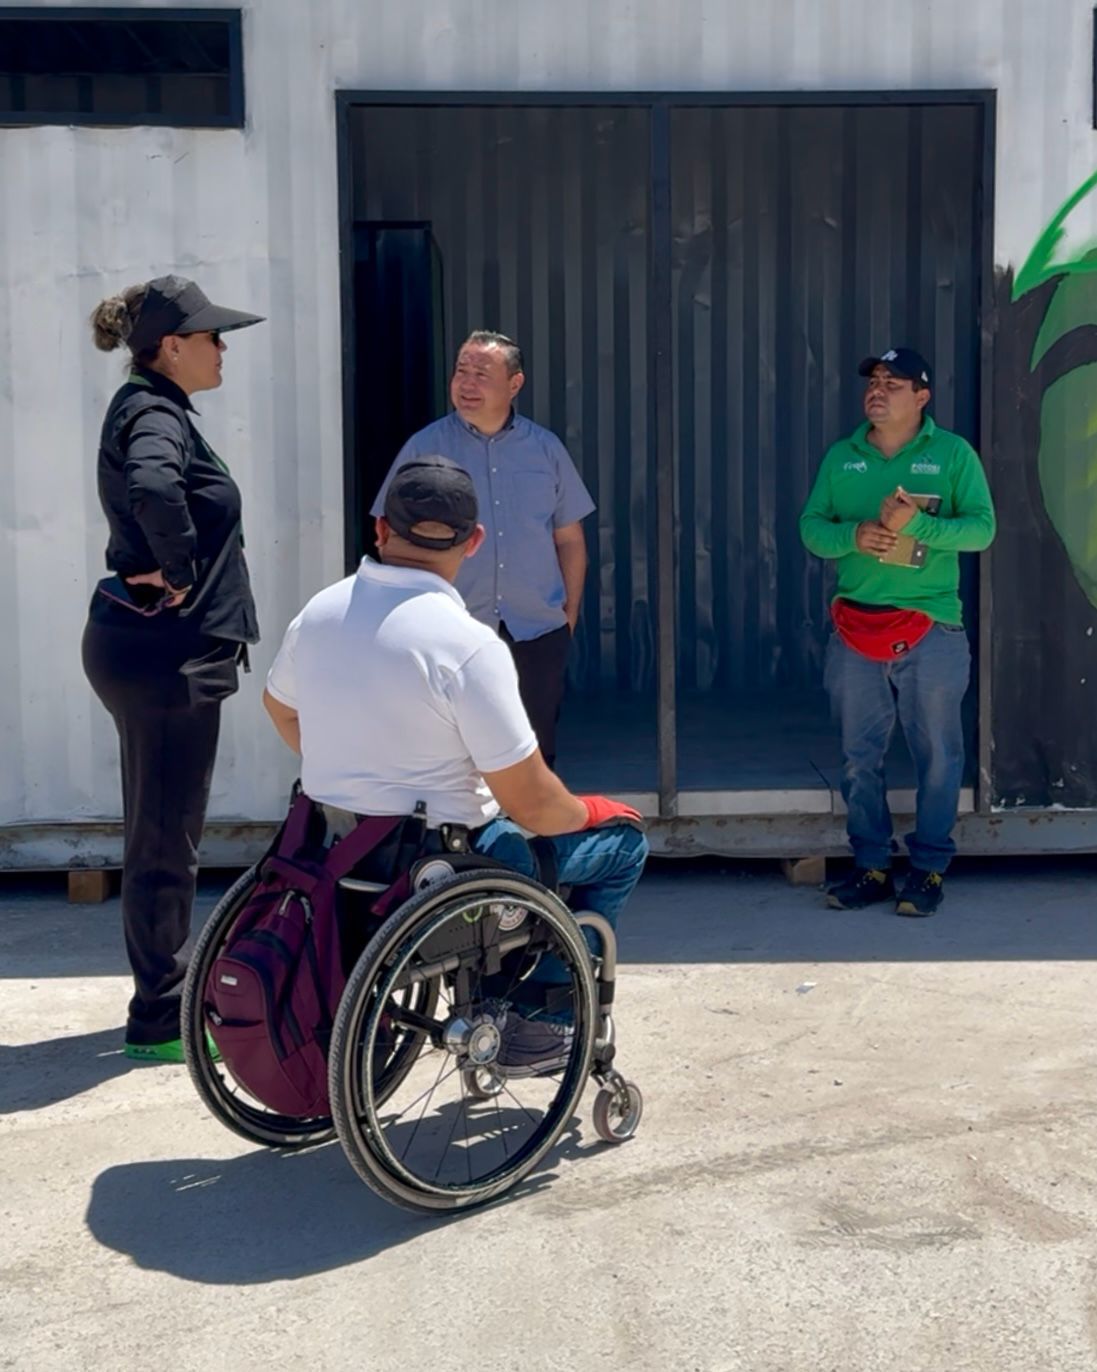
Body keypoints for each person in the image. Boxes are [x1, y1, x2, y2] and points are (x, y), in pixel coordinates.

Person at [264, 456, 647, 1071]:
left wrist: (355, 769)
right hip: (440, 870)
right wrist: (592, 812)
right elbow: (531, 803)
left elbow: (280, 708)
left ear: (380, 529)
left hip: (332, 853)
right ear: (473, 542)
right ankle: (538, 1024)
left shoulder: (320, 613)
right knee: (622, 844)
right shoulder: (467, 646)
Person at [82, 275, 264, 1061]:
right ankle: (159, 1014)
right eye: (212, 337)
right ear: (171, 346)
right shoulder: (154, 414)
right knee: (163, 837)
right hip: (165, 655)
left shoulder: (154, 407)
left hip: (160, 652)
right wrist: (181, 571)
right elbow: (154, 486)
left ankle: (167, 990)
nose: (223, 349)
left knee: (165, 827)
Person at [800, 348, 996, 917]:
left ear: (922, 397)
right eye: (874, 381)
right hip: (856, 628)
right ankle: (872, 866)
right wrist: (854, 536)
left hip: (932, 628)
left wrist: (921, 526)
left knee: (938, 754)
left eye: (893, 383)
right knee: (858, 757)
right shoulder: (843, 457)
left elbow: (982, 530)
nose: (878, 390)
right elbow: (811, 527)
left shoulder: (952, 453)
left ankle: (929, 869)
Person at [370, 331, 594, 769]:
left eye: (481, 374)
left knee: (533, 753)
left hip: (535, 631)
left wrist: (567, 617)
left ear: (514, 384)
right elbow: (387, 535)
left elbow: (569, 539)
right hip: (451, 631)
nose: (467, 384)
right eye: (461, 372)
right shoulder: (425, 448)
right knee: (454, 753)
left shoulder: (545, 450)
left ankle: (527, 818)